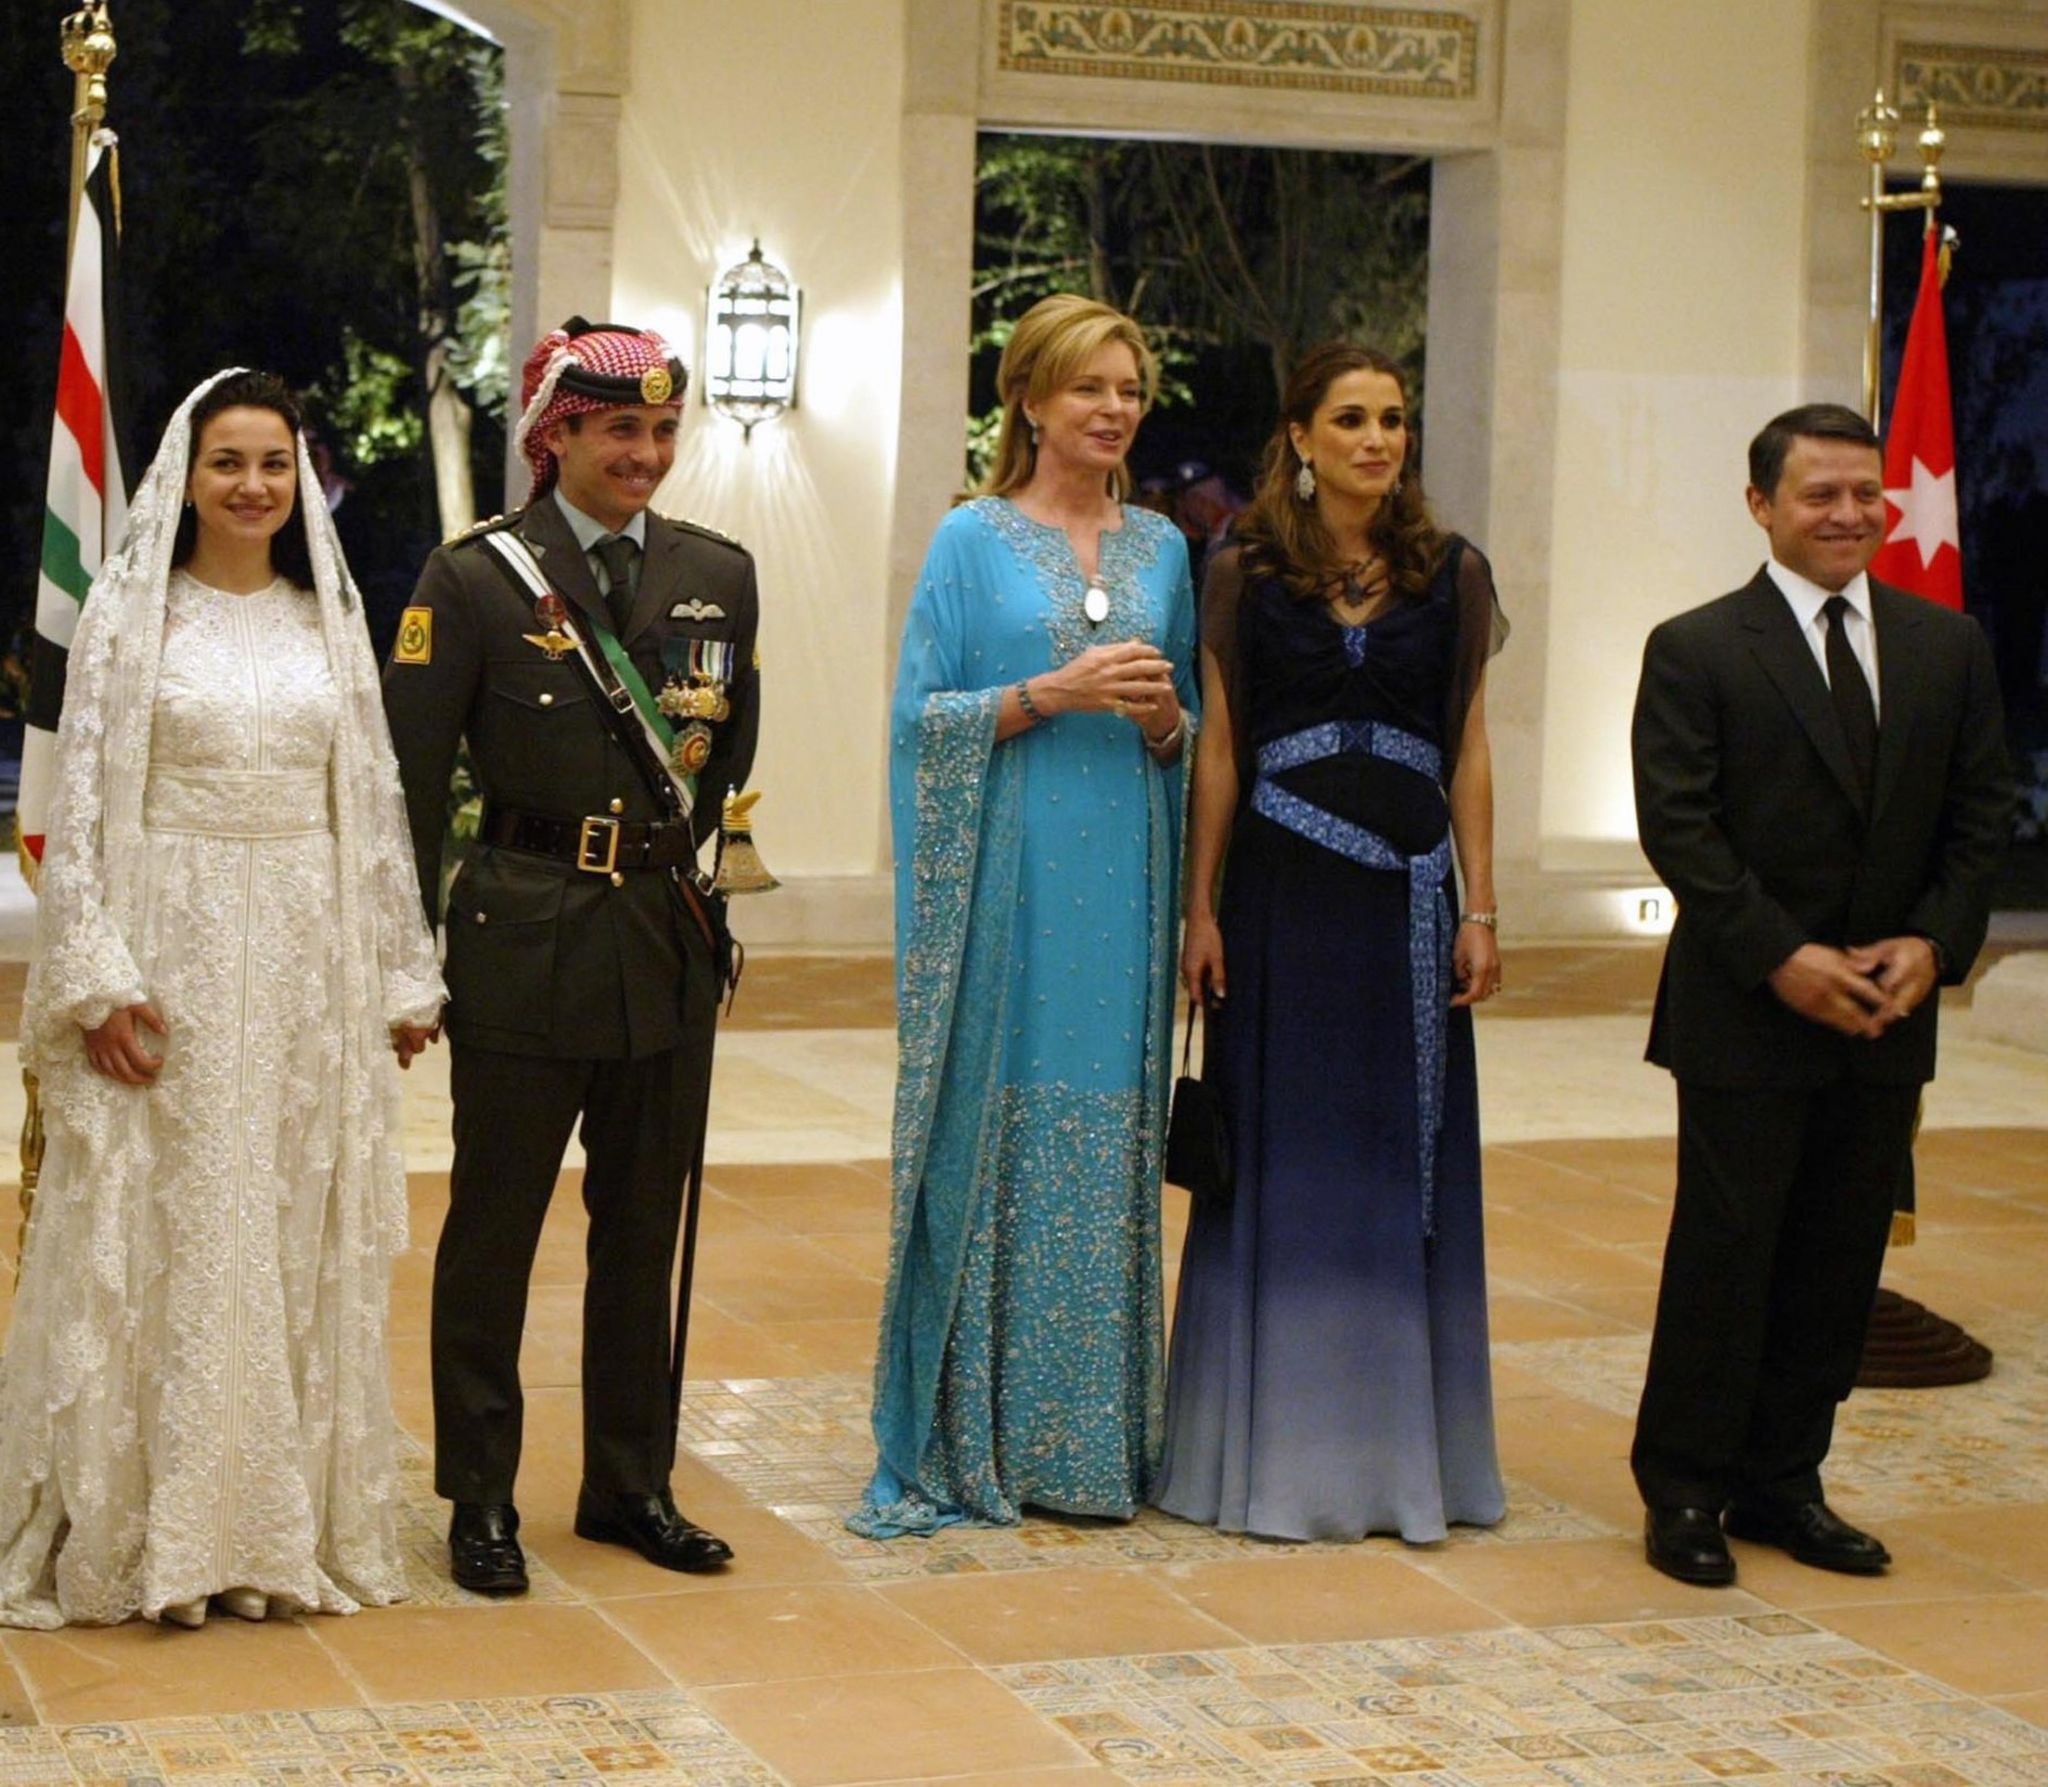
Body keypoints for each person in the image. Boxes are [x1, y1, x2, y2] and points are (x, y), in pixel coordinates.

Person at [0, 370, 445, 1629]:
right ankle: (151, 1530)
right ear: (181, 479)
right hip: (169, 966)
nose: (252, 484)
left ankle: (266, 1524)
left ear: (301, 479)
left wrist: (399, 969)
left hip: (303, 967)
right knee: (167, 1228)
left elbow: (370, 809)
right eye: (227, 461)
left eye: (272, 463)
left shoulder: (327, 625)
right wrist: (95, 977)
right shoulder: (134, 626)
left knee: (283, 1222)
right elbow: (77, 812)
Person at [383, 318, 756, 1593]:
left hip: (661, 945)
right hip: (521, 936)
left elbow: (724, 759)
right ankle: (480, 1494)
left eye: (660, 429)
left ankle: (627, 1482)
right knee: (494, 1228)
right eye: (617, 430)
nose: (644, 452)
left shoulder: (719, 572)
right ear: (556, 437)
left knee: (642, 1227)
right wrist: (405, 953)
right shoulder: (474, 577)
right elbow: (412, 788)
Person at [1630, 403, 2011, 1586]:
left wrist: (1934, 945)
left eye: (1865, 493)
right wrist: (1781, 954)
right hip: (1745, 1009)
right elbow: (1677, 826)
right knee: (1727, 1252)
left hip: (1885, 1015)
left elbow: (1980, 812)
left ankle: (1783, 1480)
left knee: (1836, 1259)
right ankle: (1686, 1486)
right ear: (1761, 506)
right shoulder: (1695, 645)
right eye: (1818, 495)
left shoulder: (1945, 645)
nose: (1848, 514)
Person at [853, 293, 1197, 1537]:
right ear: (1030, 399)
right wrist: (1044, 693)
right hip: (1008, 889)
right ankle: (975, 1432)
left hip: (1122, 895)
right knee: (992, 1131)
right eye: (1088, 389)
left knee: (1104, 1137)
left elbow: (1187, 731)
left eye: (1128, 391)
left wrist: (1162, 721)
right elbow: (916, 722)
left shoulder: (1163, 549)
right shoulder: (969, 539)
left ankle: (1085, 1445)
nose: (1112, 411)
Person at [1155, 341, 1508, 1544]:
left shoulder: (1451, 572)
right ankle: (1270, 1455)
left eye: (1394, 419)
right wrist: (1199, 909)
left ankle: (1404, 1457)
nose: (1376, 439)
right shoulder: (1240, 566)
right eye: (1349, 419)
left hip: (1410, 907)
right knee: (1285, 1158)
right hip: (1279, 900)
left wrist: (1479, 904)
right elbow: (1217, 745)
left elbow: (1467, 746)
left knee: (1394, 1170)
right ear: (1297, 437)